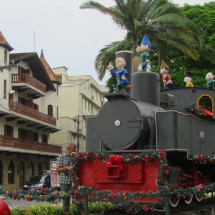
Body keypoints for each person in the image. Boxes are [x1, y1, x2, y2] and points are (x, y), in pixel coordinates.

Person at [56, 143, 82, 215]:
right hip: (64, 181)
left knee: (77, 197)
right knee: (65, 199)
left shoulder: (74, 157)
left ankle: (82, 212)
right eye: (74, 149)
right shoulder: (61, 157)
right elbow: (57, 169)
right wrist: (66, 168)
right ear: (69, 149)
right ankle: (66, 213)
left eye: (75, 149)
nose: (75, 151)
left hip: (73, 181)